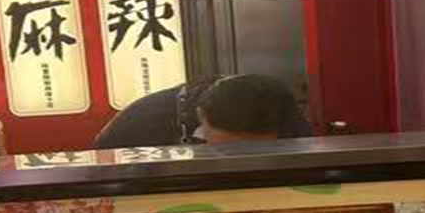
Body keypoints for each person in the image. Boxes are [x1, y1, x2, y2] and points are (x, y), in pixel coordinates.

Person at [93, 74, 312, 148]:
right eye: (229, 151)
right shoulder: (142, 119)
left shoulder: (288, 119)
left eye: (260, 151)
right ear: (201, 116)